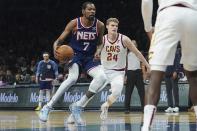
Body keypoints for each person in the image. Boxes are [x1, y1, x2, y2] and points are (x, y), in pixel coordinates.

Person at [39, 1, 107, 125]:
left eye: (94, 10)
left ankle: (77, 106)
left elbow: (100, 42)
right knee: (72, 78)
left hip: (89, 57)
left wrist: (98, 50)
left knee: (102, 77)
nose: (92, 11)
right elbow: (59, 40)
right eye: (89, 9)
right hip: (74, 55)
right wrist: (55, 49)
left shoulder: (100, 25)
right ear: (83, 11)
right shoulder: (74, 23)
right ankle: (47, 107)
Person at [141, 0, 197, 130]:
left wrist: (148, 27)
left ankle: (146, 127)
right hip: (192, 14)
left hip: (167, 14)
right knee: (194, 77)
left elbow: (146, 2)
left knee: (155, 76)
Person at [98, 18, 150, 120]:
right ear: (107, 26)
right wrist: (97, 53)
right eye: (112, 25)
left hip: (118, 72)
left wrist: (148, 66)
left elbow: (138, 53)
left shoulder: (124, 39)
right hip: (104, 70)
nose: (115, 27)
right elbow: (96, 51)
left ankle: (106, 105)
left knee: (117, 93)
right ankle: (77, 109)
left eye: (116, 26)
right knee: (93, 88)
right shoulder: (102, 39)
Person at [124, 40, 145, 114]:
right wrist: (124, 76)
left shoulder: (139, 53)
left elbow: (143, 64)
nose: (133, 45)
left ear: (136, 46)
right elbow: (124, 66)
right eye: (131, 44)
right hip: (130, 74)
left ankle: (144, 108)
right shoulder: (126, 54)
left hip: (138, 73)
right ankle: (127, 109)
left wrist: (144, 75)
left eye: (134, 44)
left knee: (142, 92)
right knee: (128, 92)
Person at [164, 46, 182, 113]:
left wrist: (176, 71)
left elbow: (178, 61)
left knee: (175, 90)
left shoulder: (175, 50)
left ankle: (176, 106)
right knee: (168, 91)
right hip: (166, 73)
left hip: (173, 73)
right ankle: (170, 106)